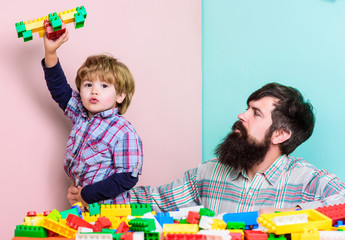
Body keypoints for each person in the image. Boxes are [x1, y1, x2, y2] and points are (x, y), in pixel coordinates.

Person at [130, 83, 345, 214]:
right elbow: (150, 201)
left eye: (256, 113)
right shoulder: (208, 173)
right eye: (247, 108)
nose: (242, 116)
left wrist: (288, 214)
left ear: (280, 134)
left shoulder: (306, 180)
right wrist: (100, 188)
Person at [41, 30, 143, 208]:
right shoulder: (80, 114)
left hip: (111, 213)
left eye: (104, 86)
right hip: (83, 207)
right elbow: (59, 88)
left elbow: (127, 177)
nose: (94, 91)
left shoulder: (123, 132)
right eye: (88, 84)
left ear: (120, 96)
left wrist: (85, 195)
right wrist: (50, 53)